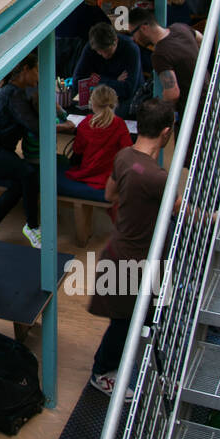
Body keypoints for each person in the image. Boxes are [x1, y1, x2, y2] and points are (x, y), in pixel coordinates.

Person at [88, 97, 179, 395]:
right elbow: (183, 210)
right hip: (135, 262)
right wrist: (213, 218)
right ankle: (101, 373)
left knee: (137, 318)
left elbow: (109, 194)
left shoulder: (125, 155)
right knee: (124, 323)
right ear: (166, 133)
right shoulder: (158, 177)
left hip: (119, 252)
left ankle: (149, 364)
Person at [0, 53, 43, 249]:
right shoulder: (13, 94)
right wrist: (61, 125)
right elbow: (35, 126)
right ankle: (32, 226)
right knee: (30, 173)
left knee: (19, 182)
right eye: (37, 70)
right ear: (25, 70)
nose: (39, 76)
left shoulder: (10, 92)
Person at [59, 84, 131, 199]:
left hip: (87, 173)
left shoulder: (85, 124)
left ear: (92, 104)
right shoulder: (119, 124)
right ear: (115, 103)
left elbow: (77, 149)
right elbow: (127, 151)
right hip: (109, 176)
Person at [128, 8, 201, 115]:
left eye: (133, 33)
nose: (133, 39)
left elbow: (172, 94)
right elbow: (201, 39)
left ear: (143, 28)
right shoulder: (180, 28)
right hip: (207, 94)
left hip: (192, 110)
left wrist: (159, 115)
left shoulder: (160, 54)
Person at [72, 21, 142, 118]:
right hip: (102, 96)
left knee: (114, 117)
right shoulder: (90, 48)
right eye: (99, 52)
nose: (104, 55)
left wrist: (96, 80)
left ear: (115, 41)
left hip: (126, 99)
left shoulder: (131, 49)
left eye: (107, 51)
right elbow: (77, 82)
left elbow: (128, 90)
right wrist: (114, 81)